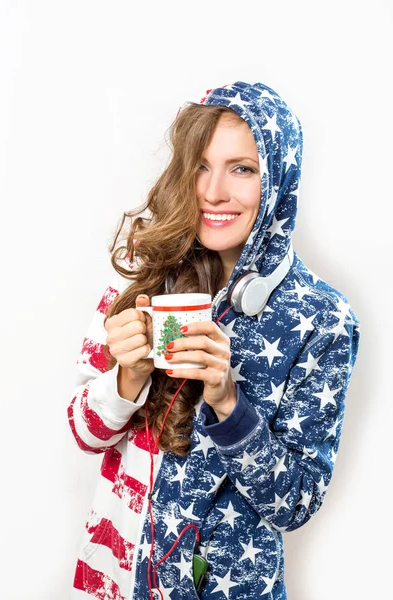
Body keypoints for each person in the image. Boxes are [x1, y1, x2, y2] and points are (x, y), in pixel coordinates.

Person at [68, 80, 360, 600]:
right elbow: (86, 435)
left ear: (278, 179)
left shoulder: (324, 318)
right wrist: (128, 375)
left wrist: (227, 401)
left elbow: (294, 503)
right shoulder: (143, 265)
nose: (213, 191)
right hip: (120, 575)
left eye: (242, 169)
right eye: (200, 164)